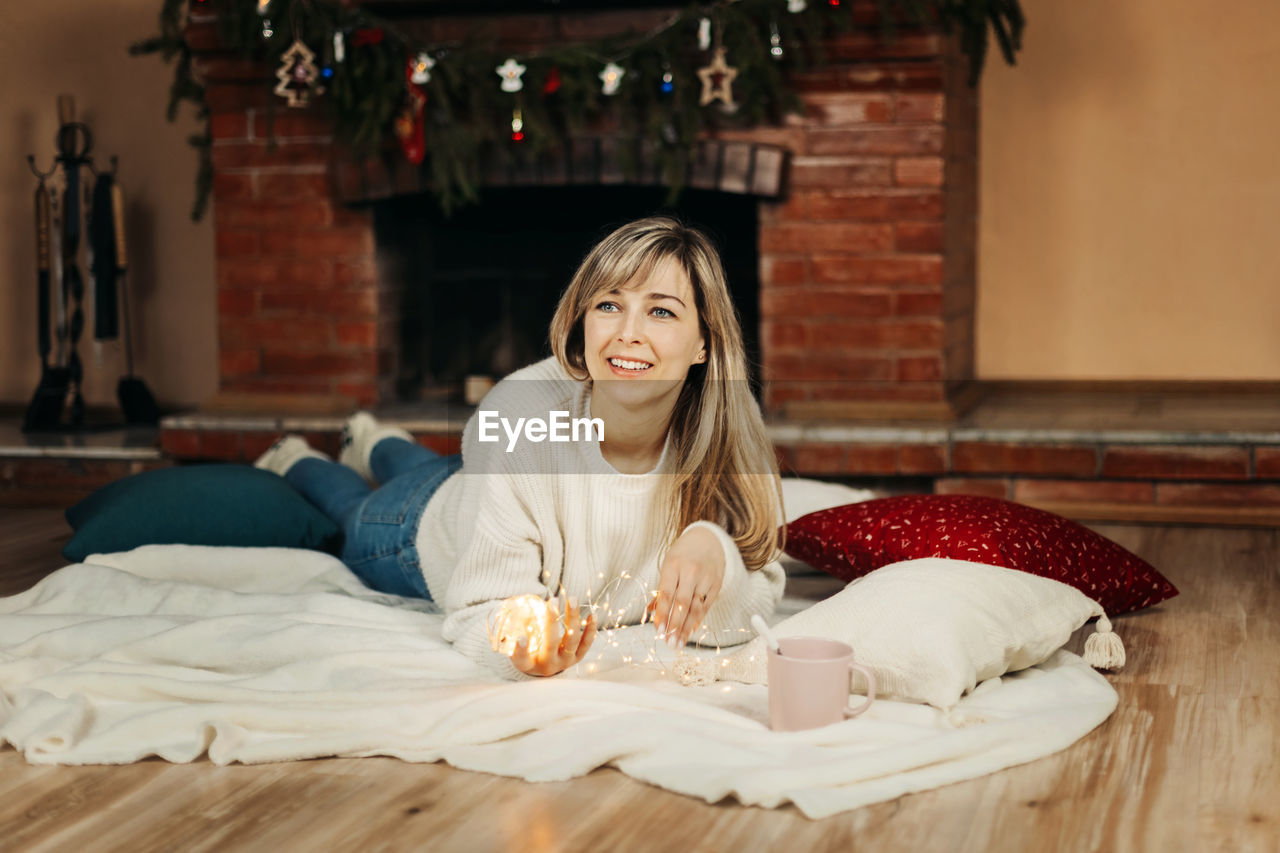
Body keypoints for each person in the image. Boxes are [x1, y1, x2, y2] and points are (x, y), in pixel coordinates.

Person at [255, 216, 786, 679]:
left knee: (423, 465)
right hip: (418, 529)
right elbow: (482, 608)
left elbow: (757, 597)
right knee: (349, 513)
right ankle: (294, 456)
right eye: (609, 304)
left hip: (484, 489)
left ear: (704, 343)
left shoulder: (728, 427)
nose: (628, 332)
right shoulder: (518, 423)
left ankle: (376, 438)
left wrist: (714, 546)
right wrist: (517, 652)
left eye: (661, 312)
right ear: (583, 324)